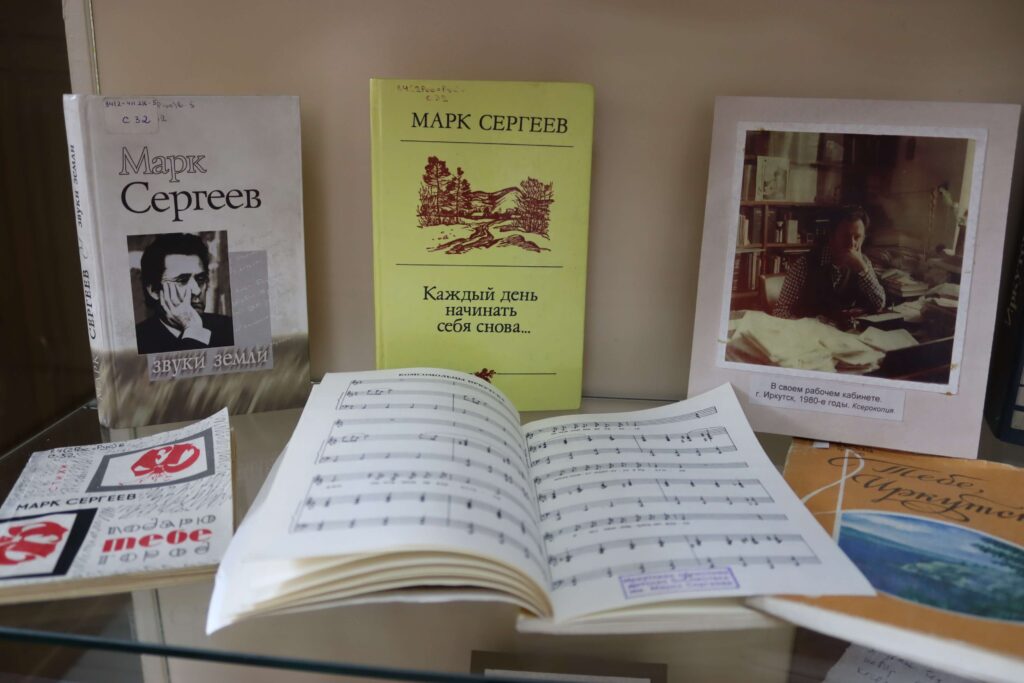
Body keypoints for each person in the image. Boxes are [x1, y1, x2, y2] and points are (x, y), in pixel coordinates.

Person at [773, 206, 886, 321]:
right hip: (809, 330)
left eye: (857, 237)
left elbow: (880, 304)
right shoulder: (804, 264)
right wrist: (806, 324)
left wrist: (863, 269)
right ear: (831, 236)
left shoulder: (863, 263)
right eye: (845, 236)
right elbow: (780, 311)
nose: (852, 243)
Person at [135, 233, 234, 354]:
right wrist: (193, 331)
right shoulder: (137, 341)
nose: (197, 290)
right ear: (154, 291)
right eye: (182, 280)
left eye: (200, 279)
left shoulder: (228, 329)